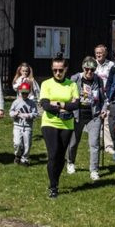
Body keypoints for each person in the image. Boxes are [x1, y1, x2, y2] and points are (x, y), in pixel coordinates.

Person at [39, 55, 80, 198]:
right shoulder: (46, 84)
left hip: (67, 124)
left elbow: (76, 105)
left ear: (66, 69)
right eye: (55, 70)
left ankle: (55, 180)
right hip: (49, 123)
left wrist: (58, 104)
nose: (57, 73)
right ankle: (53, 186)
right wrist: (62, 107)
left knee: (61, 156)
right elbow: (45, 105)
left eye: (60, 70)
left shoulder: (72, 85)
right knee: (53, 154)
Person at [69, 57, 107, 180]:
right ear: (83, 68)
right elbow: (68, 95)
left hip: (94, 116)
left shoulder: (98, 80)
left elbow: (103, 99)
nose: (89, 72)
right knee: (74, 142)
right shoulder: (75, 79)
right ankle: (70, 162)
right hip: (77, 115)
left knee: (94, 144)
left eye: (92, 69)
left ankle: (94, 170)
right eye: (87, 69)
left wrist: (104, 109)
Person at [9, 80, 38, 165]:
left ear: (29, 92)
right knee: (17, 143)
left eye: (26, 93)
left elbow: (35, 113)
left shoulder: (31, 103)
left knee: (27, 144)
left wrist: (28, 115)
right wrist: (15, 114)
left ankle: (24, 158)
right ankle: (17, 155)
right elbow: (10, 112)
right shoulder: (16, 102)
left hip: (28, 126)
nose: (24, 94)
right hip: (17, 126)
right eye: (23, 93)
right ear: (20, 92)